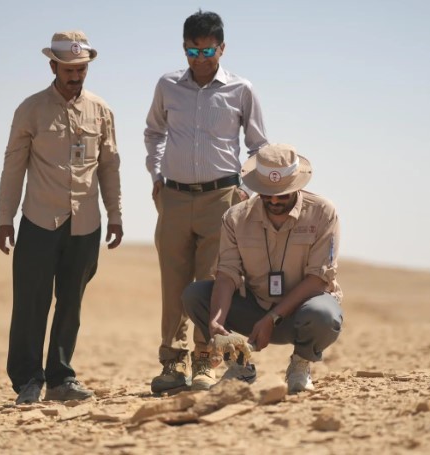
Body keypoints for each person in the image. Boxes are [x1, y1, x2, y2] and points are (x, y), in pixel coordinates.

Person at [144, 10, 268, 393]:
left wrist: (247, 191)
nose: (200, 59)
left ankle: (204, 361)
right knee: (173, 284)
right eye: (192, 51)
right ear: (184, 49)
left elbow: (258, 146)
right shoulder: (167, 86)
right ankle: (172, 364)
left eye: (207, 51)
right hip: (174, 197)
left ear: (222, 48)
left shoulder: (241, 89)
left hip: (222, 198)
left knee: (212, 283)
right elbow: (154, 132)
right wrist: (157, 175)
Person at [0, 30, 123, 405]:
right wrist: (5, 217)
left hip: (85, 223)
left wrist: (115, 214)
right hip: (39, 221)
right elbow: (13, 166)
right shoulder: (31, 109)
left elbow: (110, 167)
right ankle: (27, 380)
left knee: (71, 304)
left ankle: (60, 377)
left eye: (81, 69)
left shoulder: (101, 110)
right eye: (68, 69)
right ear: (53, 67)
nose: (75, 76)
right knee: (31, 303)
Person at [182, 144, 343, 394]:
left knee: (324, 314)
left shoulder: (322, 212)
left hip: (302, 313)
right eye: (267, 194)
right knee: (196, 295)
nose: (274, 200)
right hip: (255, 309)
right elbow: (227, 274)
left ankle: (300, 365)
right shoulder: (235, 217)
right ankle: (240, 367)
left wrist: (273, 318)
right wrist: (216, 323)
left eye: (282, 195)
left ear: (297, 186)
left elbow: (318, 279)